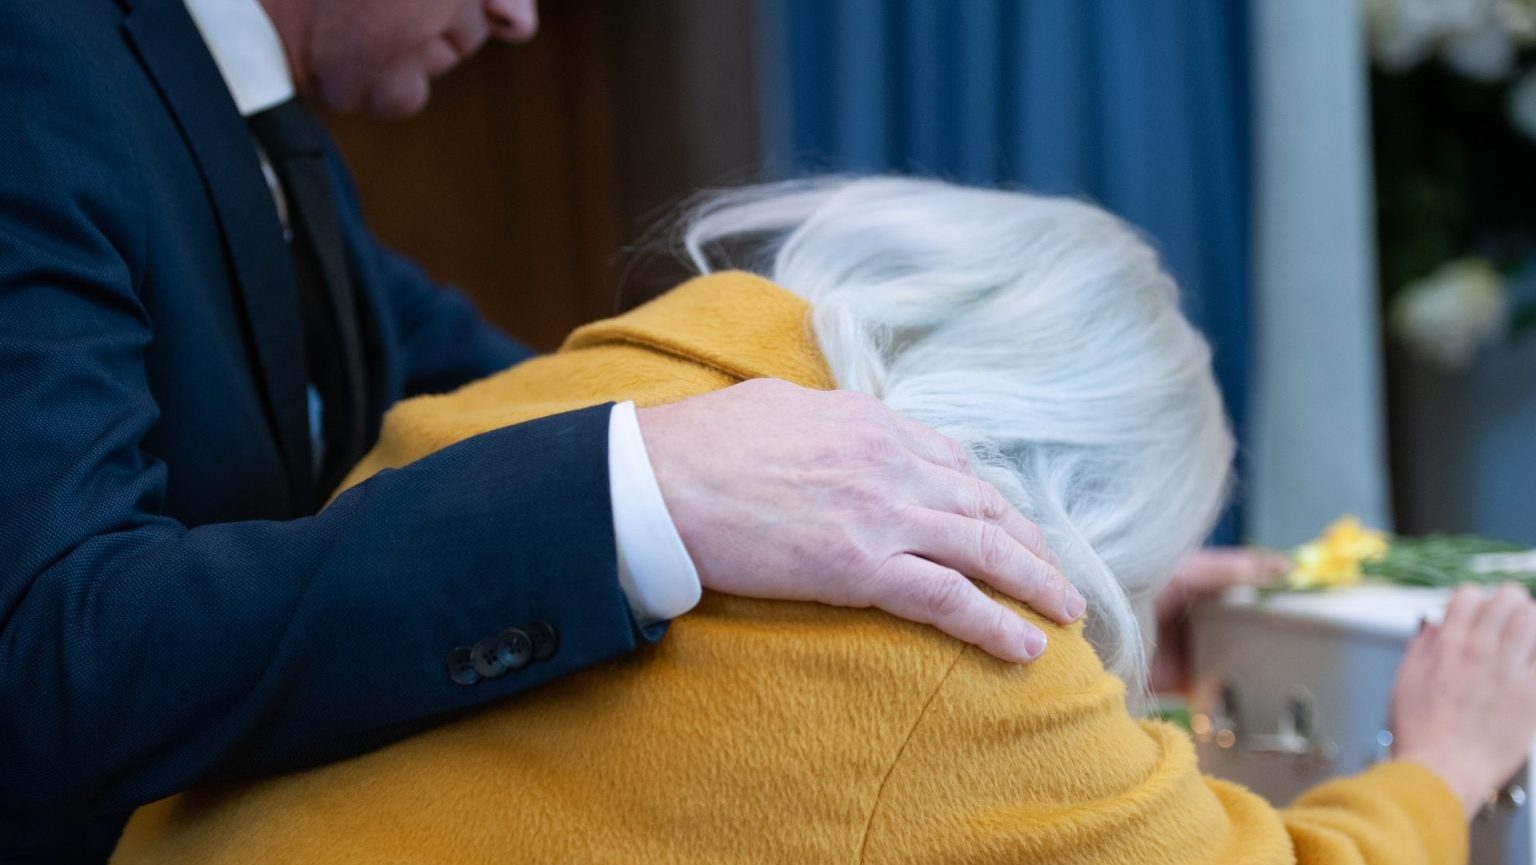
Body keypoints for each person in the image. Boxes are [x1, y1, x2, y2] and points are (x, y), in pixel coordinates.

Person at [112, 176, 1536, 864]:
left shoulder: (590, 402)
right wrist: (1440, 766)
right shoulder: (934, 653)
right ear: (1080, 497)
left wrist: (1111, 646)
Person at [0, 2, 1083, 862]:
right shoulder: (35, 64)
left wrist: (1048, 537)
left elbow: (534, 387)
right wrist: (640, 492)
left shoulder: (259, 133)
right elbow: (51, 656)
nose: (521, 17)